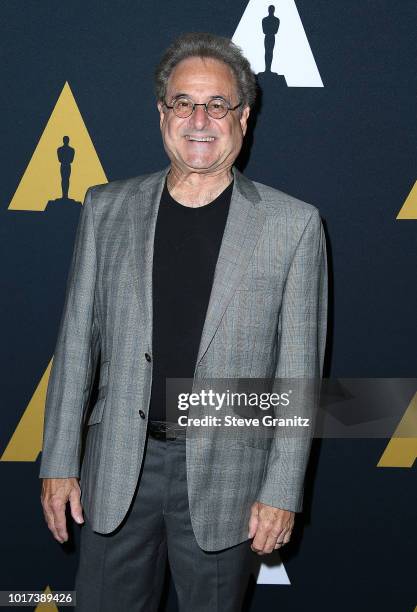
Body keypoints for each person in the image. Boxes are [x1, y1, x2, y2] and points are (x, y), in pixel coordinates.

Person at [39, 32, 328, 612]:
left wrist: (280, 491)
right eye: (183, 103)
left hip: (228, 480)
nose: (200, 118)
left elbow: (299, 377)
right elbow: (76, 349)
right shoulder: (105, 209)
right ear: (162, 113)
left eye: (217, 104)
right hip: (118, 467)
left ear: (242, 118)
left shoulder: (293, 226)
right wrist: (59, 461)